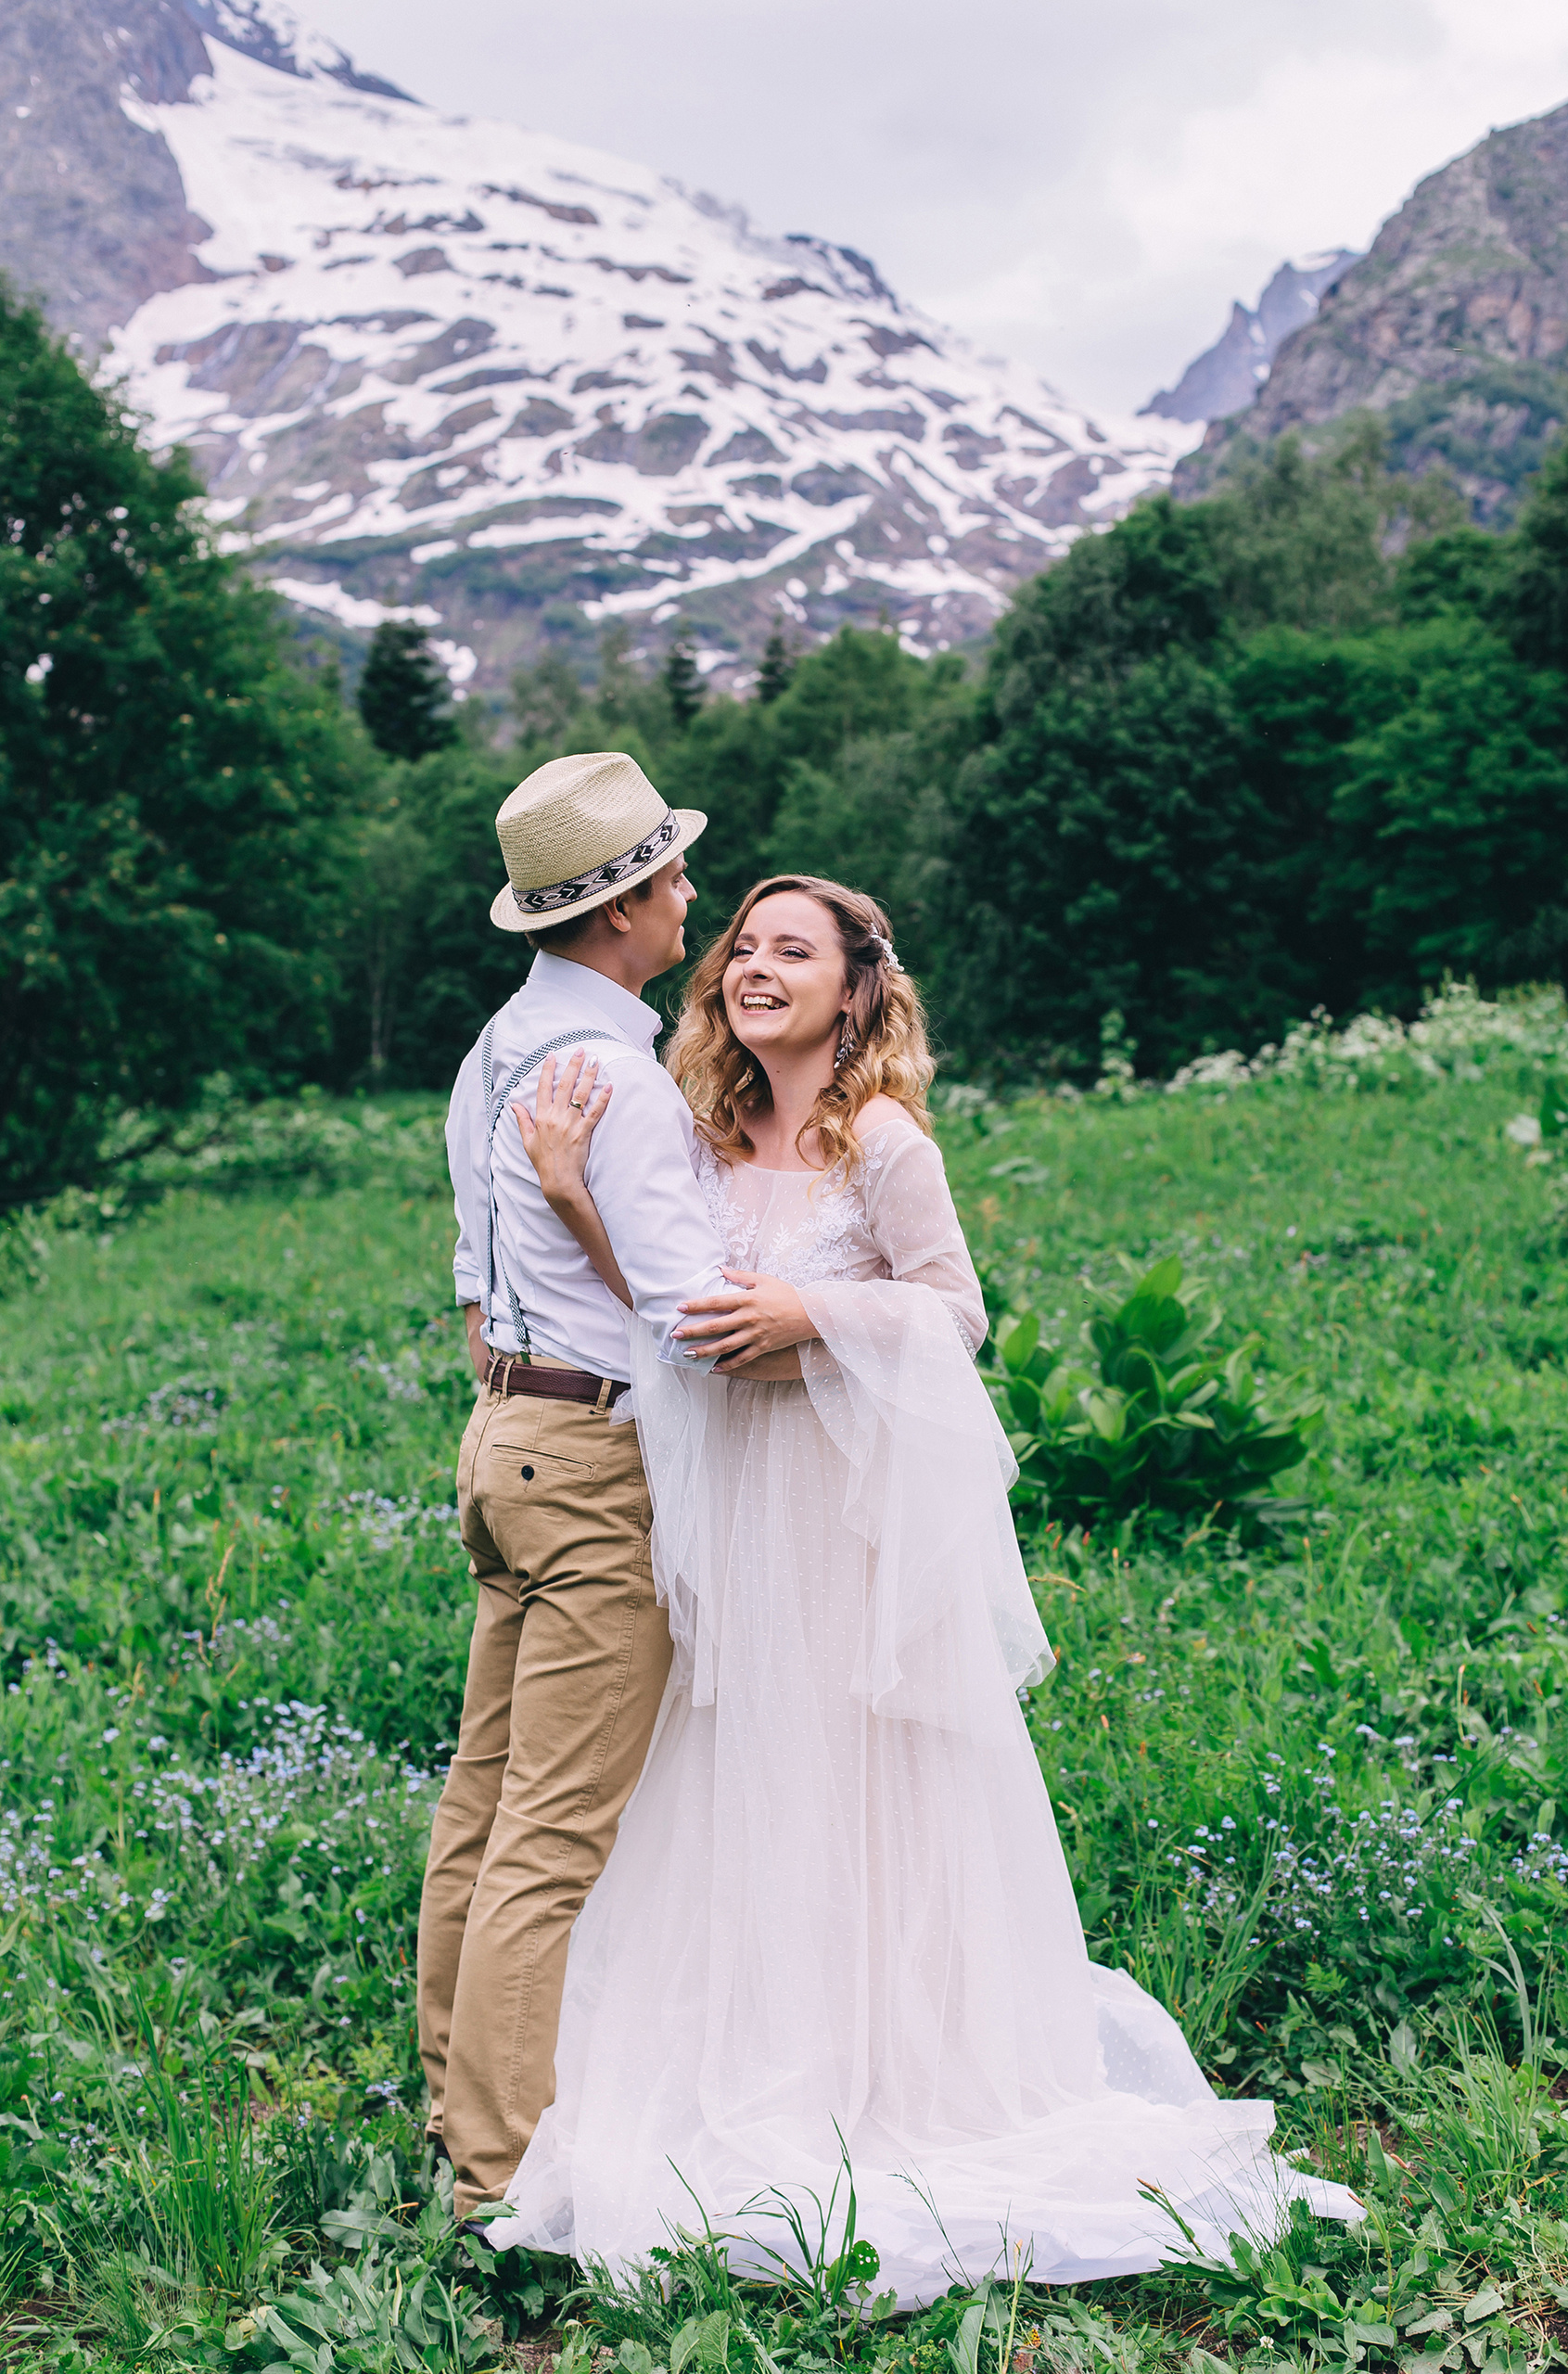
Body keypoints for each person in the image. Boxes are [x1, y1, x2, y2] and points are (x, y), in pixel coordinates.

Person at [482, 873, 1358, 2302]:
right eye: (743, 947)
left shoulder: (879, 1138)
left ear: (855, 989)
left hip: (838, 1518)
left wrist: (816, 1310)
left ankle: (889, 2064)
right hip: (735, 1517)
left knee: (853, 1778)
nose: (757, 966)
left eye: (794, 951)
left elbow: (954, 1310)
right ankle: (757, 2048)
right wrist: (577, 1193)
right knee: (740, 1776)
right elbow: (672, 1306)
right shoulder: (699, 1141)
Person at [418, 750, 732, 2223]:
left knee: (483, 1801)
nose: (689, 897)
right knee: (552, 1829)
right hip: (594, 1458)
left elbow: (476, 1289)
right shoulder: (617, 1078)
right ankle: (502, 2174)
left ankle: (453, 2104)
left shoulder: (498, 1050)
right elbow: (691, 1322)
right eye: (670, 877)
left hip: (499, 1437)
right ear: (616, 913)